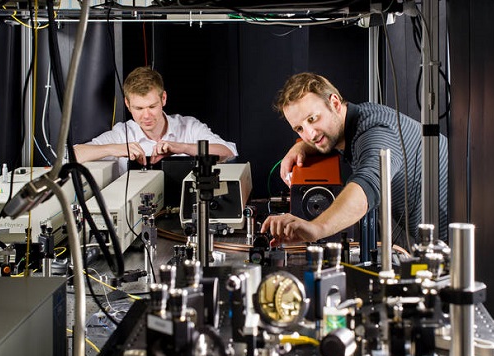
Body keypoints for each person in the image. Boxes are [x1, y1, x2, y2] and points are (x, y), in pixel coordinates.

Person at [261, 72, 448, 249]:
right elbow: (323, 137)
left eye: (312, 118)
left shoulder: (376, 131)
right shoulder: (358, 118)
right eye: (299, 129)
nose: (309, 133)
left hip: (455, 243)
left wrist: (316, 229)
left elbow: (368, 184)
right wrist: (302, 146)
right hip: (429, 237)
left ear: (334, 103)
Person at [74, 66, 237, 174]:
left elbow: (228, 152)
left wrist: (181, 147)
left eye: (152, 107)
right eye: (138, 108)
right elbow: (71, 156)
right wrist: (114, 149)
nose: (146, 116)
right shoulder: (121, 134)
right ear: (127, 104)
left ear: (163, 98)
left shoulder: (188, 126)